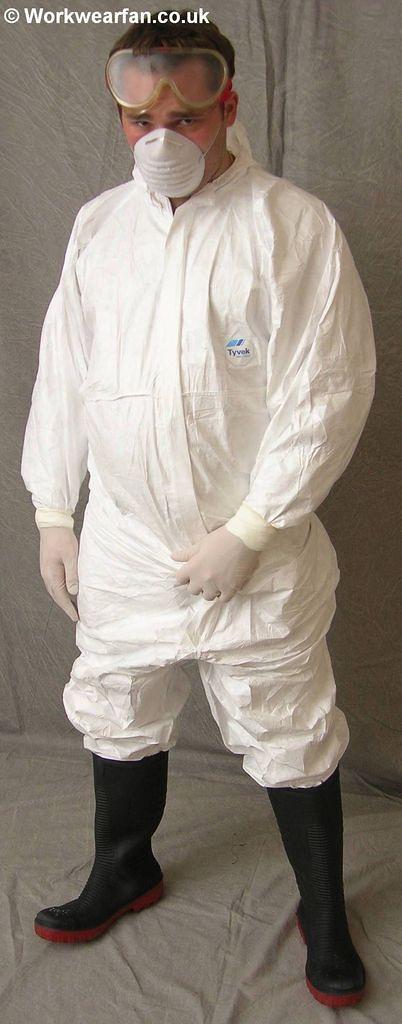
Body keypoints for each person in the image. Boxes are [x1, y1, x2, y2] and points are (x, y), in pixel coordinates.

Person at [20, 9, 376, 1008]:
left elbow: (328, 389)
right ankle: (124, 865)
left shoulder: (290, 226)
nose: (162, 139)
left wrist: (254, 529)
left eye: (185, 116)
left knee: (288, 721)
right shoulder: (100, 228)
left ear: (227, 106)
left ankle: (321, 910)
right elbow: (66, 373)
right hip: (127, 540)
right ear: (121, 118)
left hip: (254, 548)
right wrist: (54, 509)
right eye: (141, 120)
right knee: (118, 700)